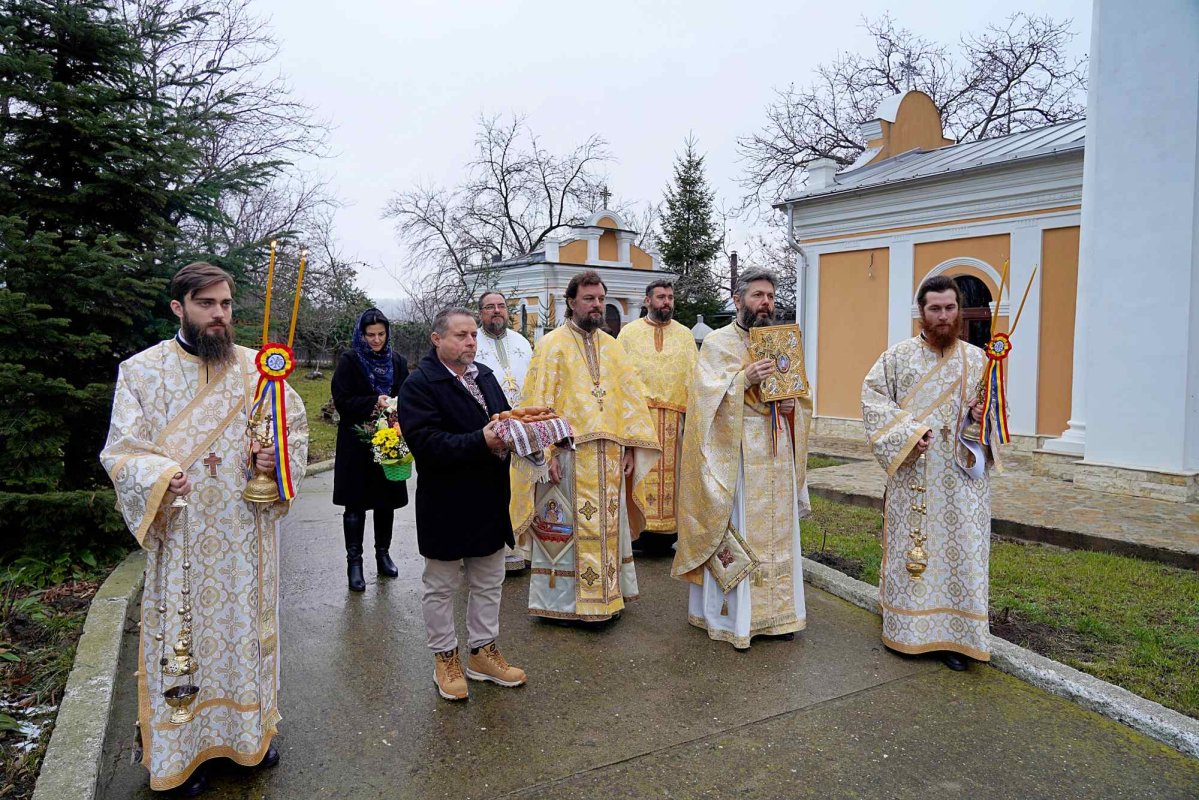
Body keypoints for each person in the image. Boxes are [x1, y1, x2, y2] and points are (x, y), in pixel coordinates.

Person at [100, 262, 308, 795]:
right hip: (183, 535)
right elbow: (122, 451)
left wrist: (275, 463)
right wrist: (160, 475)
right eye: (207, 304)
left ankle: (247, 737)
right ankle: (183, 755)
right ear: (179, 308)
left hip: (246, 535)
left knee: (244, 636)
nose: (220, 315)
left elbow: (293, 432)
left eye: (226, 304)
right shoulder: (142, 372)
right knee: (184, 638)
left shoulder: (259, 369)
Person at [672, 269, 812, 650]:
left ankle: (779, 614)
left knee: (779, 534)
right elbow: (703, 403)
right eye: (757, 295)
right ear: (738, 300)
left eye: (770, 296)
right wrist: (743, 379)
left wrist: (792, 407)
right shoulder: (717, 343)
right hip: (737, 455)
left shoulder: (783, 342)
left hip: (777, 451)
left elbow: (802, 398)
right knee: (739, 528)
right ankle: (735, 617)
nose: (765, 303)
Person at [510, 270, 660, 624]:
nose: (597, 305)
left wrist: (630, 448)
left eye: (601, 299)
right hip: (567, 456)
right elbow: (538, 402)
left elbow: (629, 401)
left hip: (609, 457)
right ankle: (562, 606)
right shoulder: (551, 345)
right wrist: (545, 454)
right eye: (589, 299)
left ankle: (607, 600)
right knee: (565, 531)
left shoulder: (613, 347)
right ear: (572, 302)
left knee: (606, 529)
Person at [860, 274, 993, 671]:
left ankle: (958, 637)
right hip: (913, 474)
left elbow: (998, 417)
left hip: (962, 480)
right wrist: (908, 434)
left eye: (950, 308)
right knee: (913, 551)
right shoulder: (896, 358)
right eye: (935, 308)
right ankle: (908, 629)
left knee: (962, 553)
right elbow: (872, 401)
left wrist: (981, 415)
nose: (943, 316)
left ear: (958, 310)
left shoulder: (979, 360)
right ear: (921, 311)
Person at [397, 307, 526, 701]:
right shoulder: (420, 384)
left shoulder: (483, 375)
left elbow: (504, 421)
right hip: (446, 501)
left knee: (489, 580)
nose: (471, 342)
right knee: (441, 586)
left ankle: (483, 653)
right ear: (437, 339)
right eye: (461, 335)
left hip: (489, 497)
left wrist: (527, 437)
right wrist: (480, 441)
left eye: (473, 335)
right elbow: (426, 444)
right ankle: (445, 658)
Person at [616, 279, 698, 555]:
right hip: (641, 420)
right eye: (661, 297)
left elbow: (696, 380)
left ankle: (669, 535)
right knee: (639, 475)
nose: (667, 302)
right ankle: (637, 534)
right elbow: (619, 379)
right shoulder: (628, 334)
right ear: (647, 300)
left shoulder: (685, 335)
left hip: (677, 423)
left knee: (675, 480)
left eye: (670, 297)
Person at [331, 308, 410, 592]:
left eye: (381, 334)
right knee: (355, 504)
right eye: (370, 335)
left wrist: (397, 410)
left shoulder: (397, 361)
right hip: (356, 442)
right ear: (361, 335)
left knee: (385, 501)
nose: (376, 340)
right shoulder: (350, 361)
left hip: (389, 439)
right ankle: (354, 563)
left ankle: (383, 555)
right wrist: (373, 402)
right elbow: (342, 400)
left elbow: (407, 395)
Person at [473, 290, 535, 572]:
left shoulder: (521, 342)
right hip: (488, 426)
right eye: (490, 307)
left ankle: (520, 546)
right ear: (481, 313)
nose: (496, 311)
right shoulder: (472, 341)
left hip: (522, 425)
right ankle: (489, 548)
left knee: (522, 486)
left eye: (501, 306)